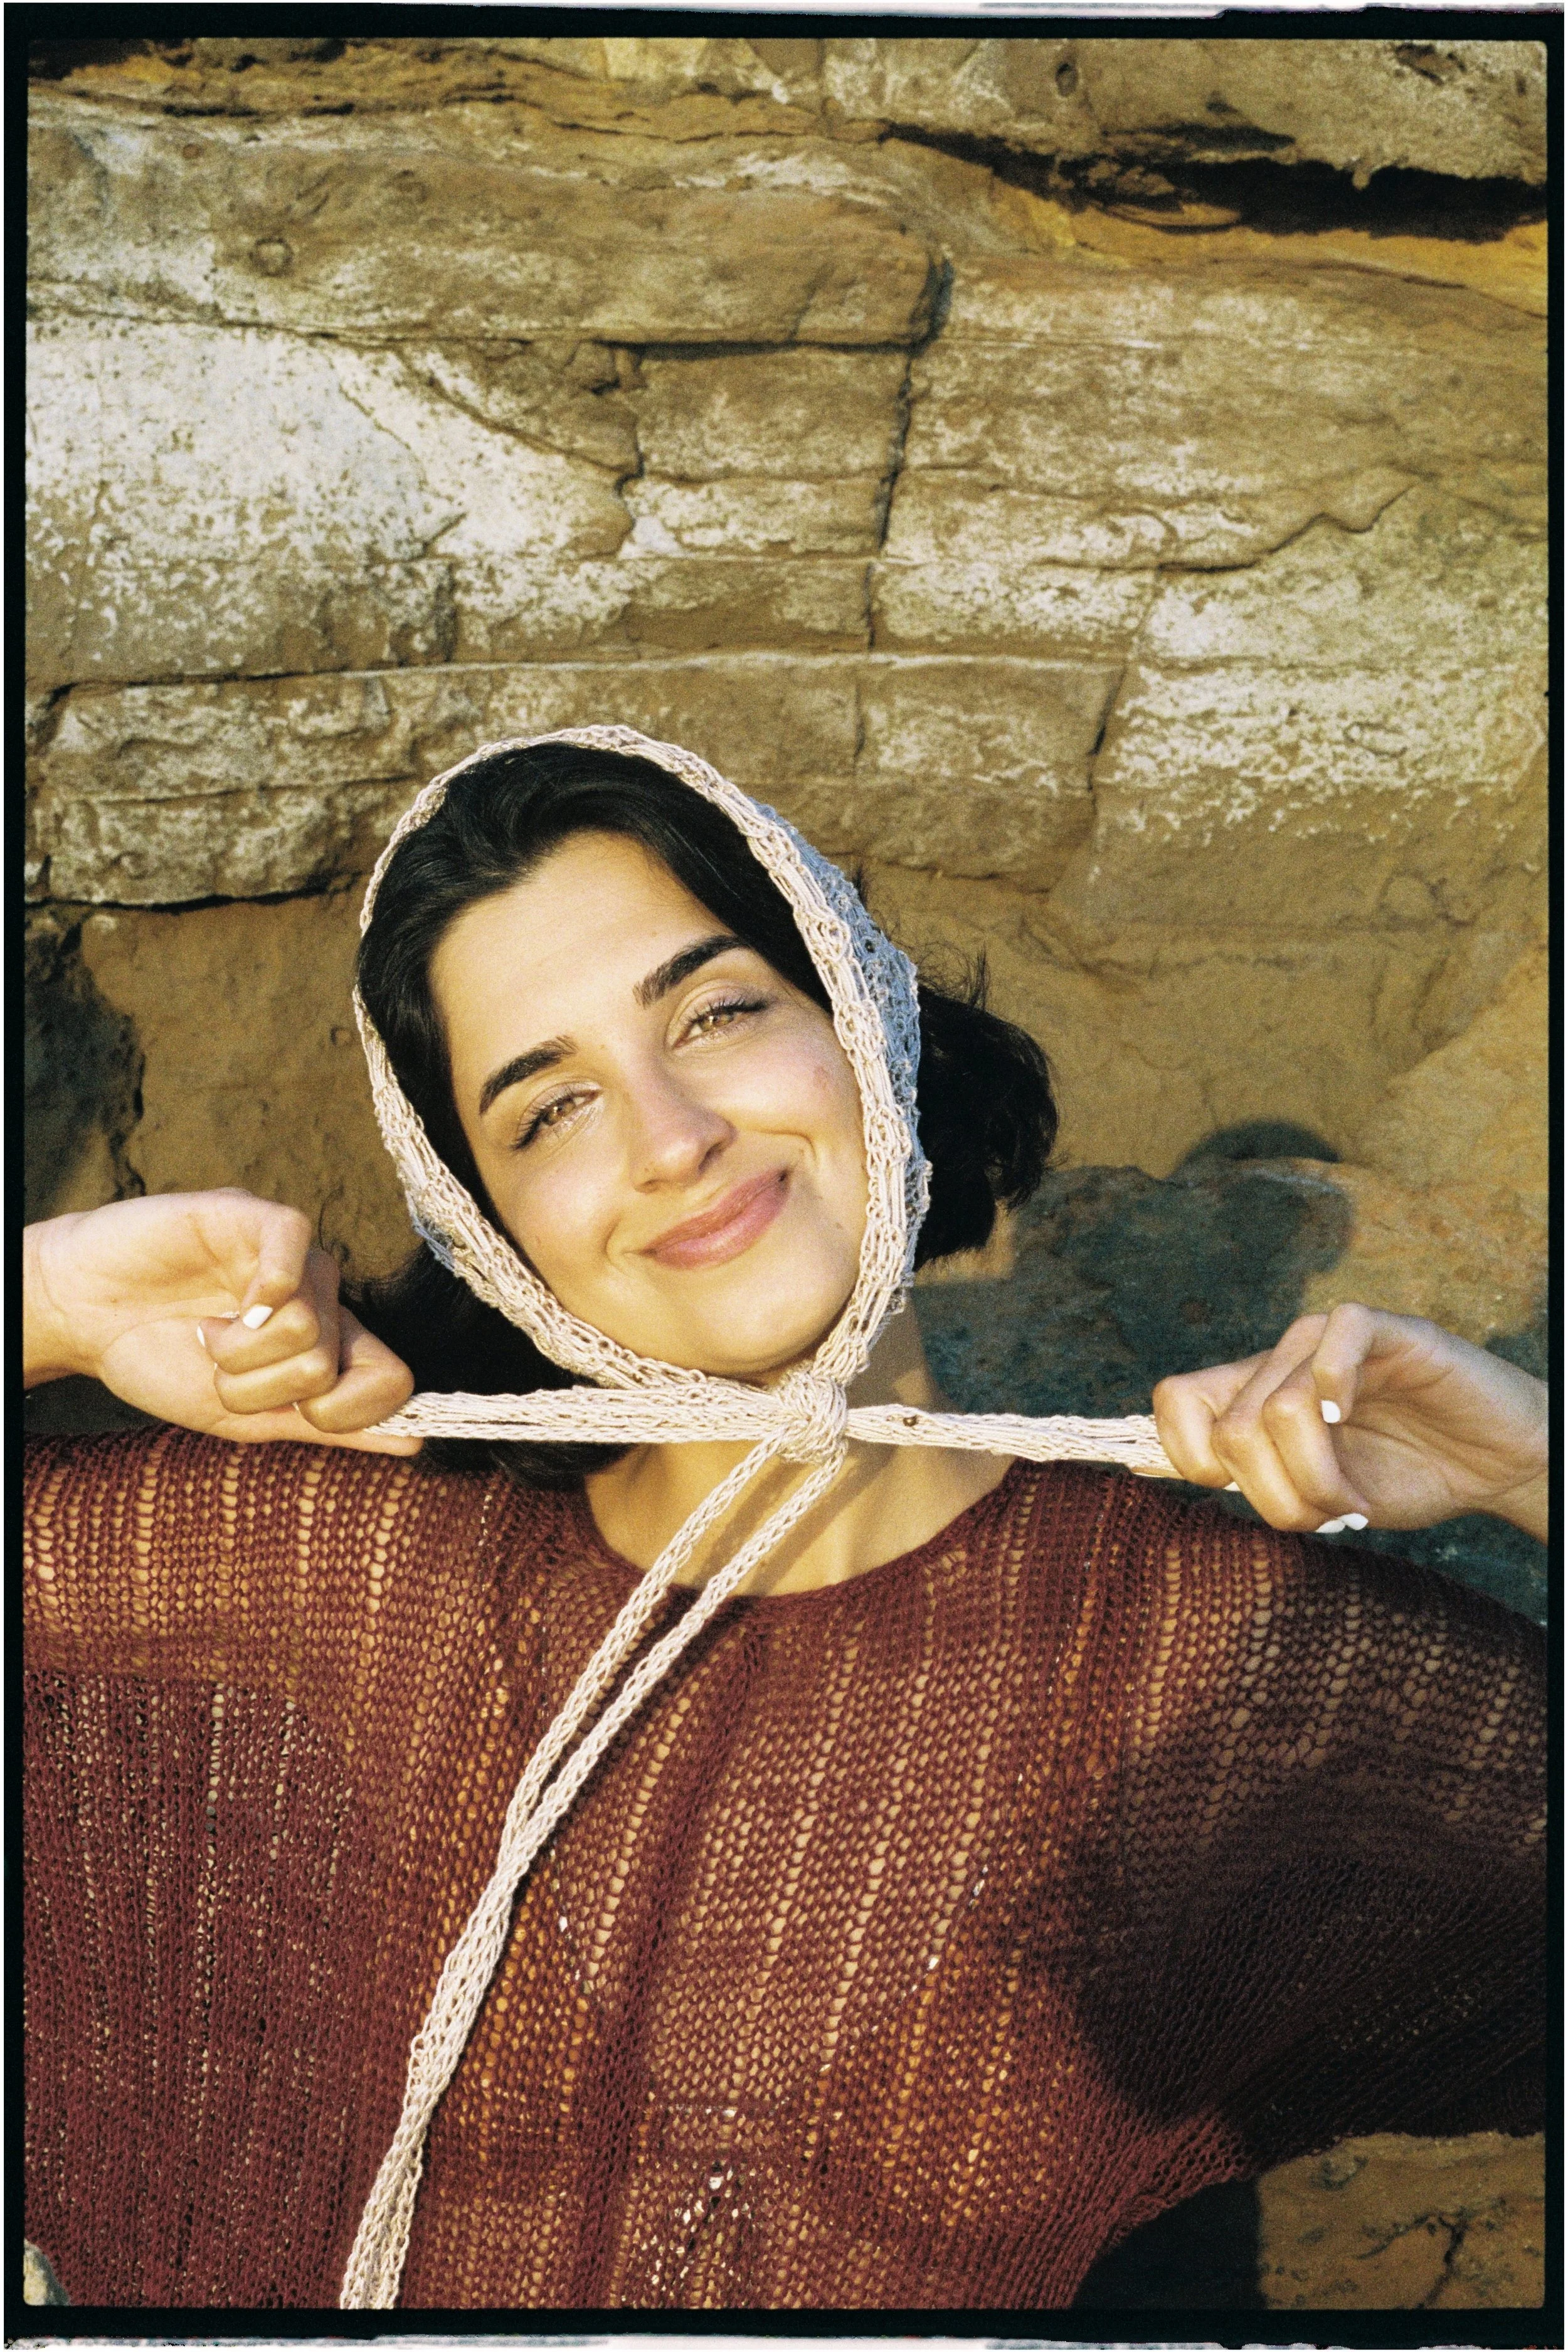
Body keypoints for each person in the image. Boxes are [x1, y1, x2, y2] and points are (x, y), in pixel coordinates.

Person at [23, 735, 1547, 2311]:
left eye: (718, 1010)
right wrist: (49, 1297)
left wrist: (1529, 1466)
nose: (669, 1133)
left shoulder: (1213, 1676)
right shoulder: (350, 1581)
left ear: (858, 1013)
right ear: (487, 1232)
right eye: (546, 1112)